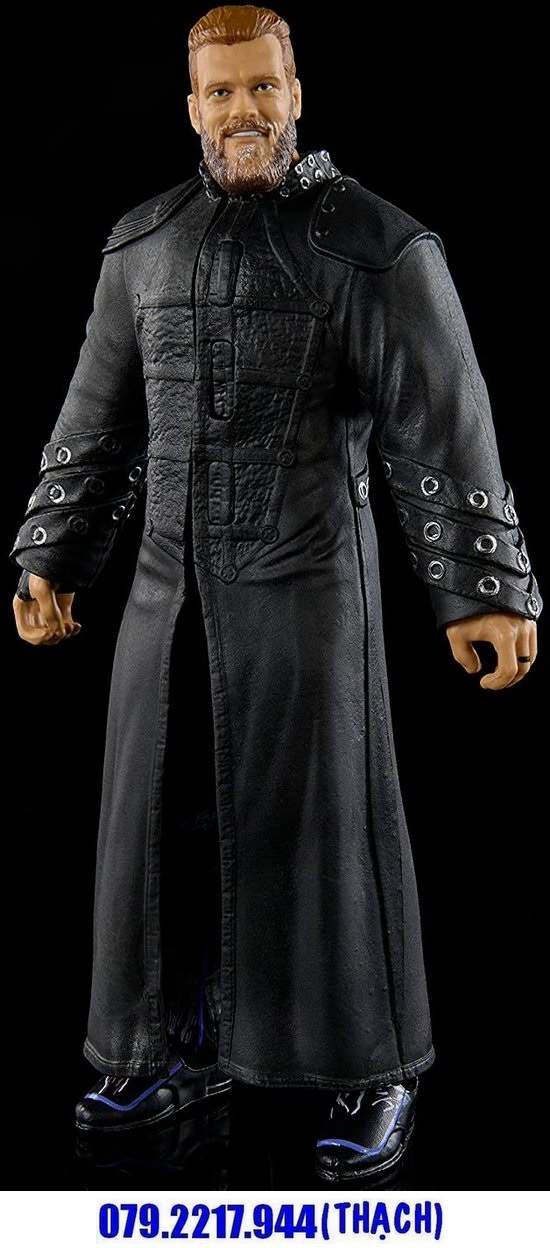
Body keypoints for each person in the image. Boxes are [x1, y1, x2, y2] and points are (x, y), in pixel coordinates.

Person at [10, 5, 541, 1182]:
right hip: (163, 602)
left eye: (262, 87)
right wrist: (52, 552)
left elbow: (440, 422)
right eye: (220, 91)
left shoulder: (373, 243)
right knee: (156, 836)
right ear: (190, 105)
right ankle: (168, 1049)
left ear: (295, 93)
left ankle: (371, 1068)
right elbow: (97, 421)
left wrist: (483, 589)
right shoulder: (142, 244)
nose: (242, 110)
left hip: (307, 594)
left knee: (328, 834)